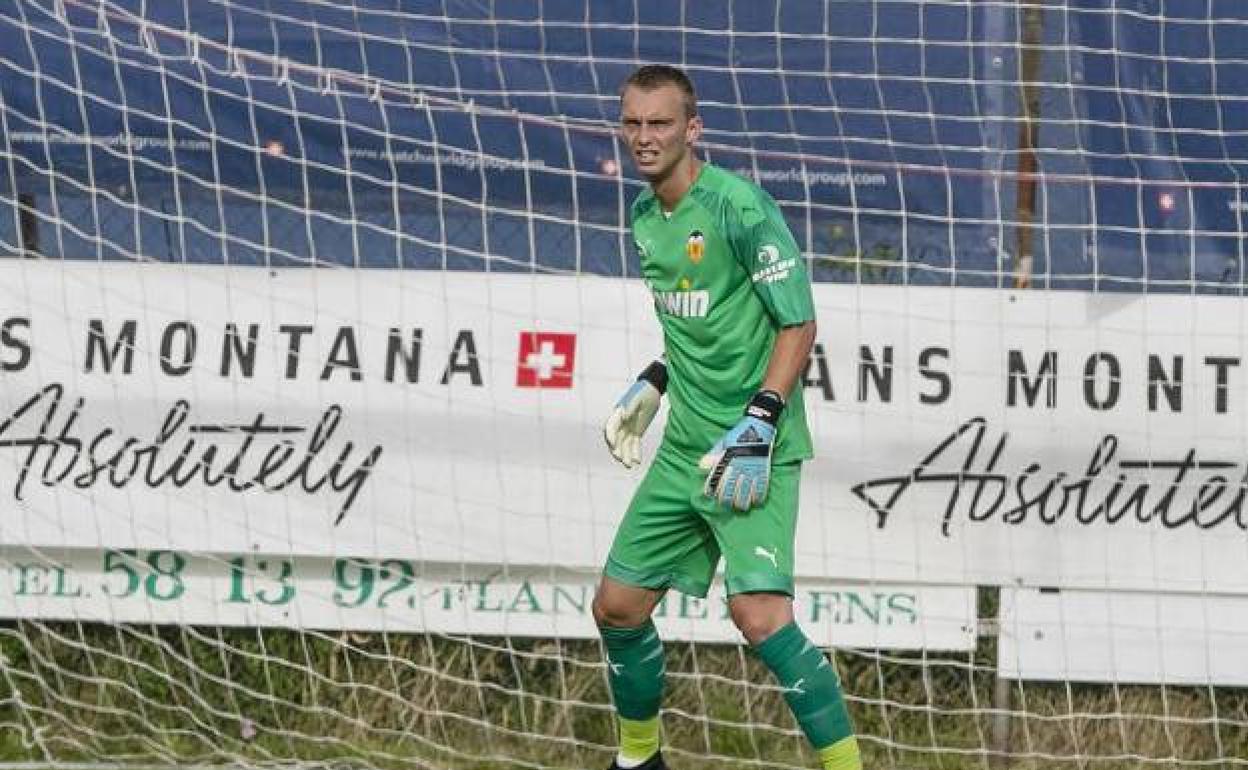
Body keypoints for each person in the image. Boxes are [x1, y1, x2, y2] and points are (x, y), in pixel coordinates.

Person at [594, 64, 861, 770]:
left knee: (759, 618)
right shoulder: (645, 216)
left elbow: (796, 324)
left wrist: (762, 421)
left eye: (659, 123)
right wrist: (655, 382)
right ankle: (639, 760)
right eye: (632, 123)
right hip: (686, 445)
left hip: (752, 445)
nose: (644, 138)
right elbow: (696, 326)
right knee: (617, 606)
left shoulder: (739, 208)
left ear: (692, 128)